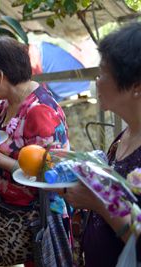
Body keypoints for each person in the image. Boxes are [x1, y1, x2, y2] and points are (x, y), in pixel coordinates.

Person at [0, 36, 70, 266]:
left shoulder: (41, 111)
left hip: (34, 221)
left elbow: (50, 173)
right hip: (10, 215)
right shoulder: (7, 104)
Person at [60, 22, 141, 267]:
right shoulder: (125, 135)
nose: (96, 80)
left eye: (103, 72)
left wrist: (97, 202)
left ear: (136, 87)